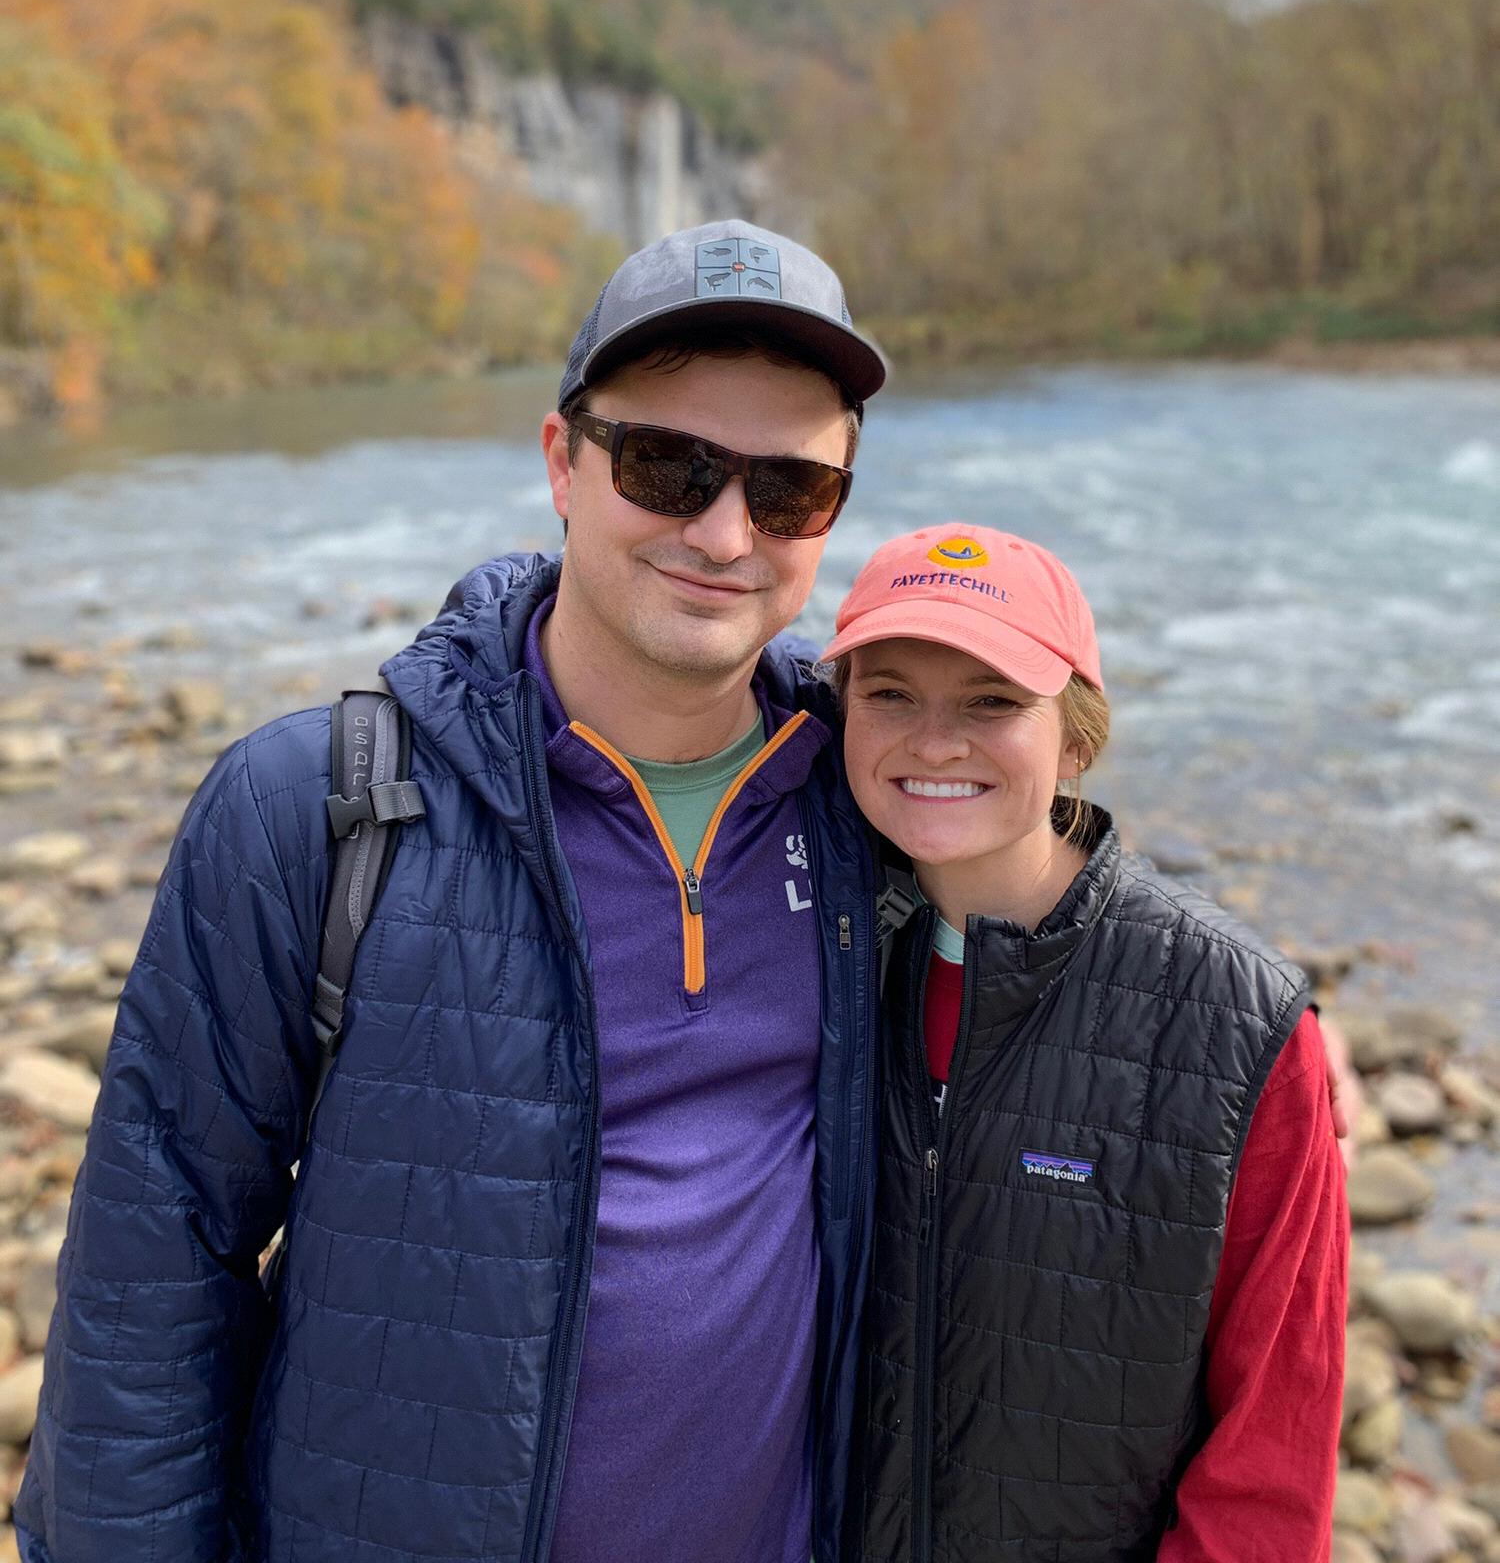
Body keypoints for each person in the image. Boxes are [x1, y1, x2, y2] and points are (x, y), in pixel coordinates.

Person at [16, 221, 887, 1563]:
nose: (723, 532)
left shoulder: (872, 810)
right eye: (668, 466)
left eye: (789, 492)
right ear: (560, 462)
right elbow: (154, 1268)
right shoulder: (312, 807)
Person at [821, 524, 1349, 1563]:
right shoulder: (810, 949)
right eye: (889, 692)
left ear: (1075, 738)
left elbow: (1274, 1449)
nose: (934, 742)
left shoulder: (1236, 1018)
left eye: (992, 701)